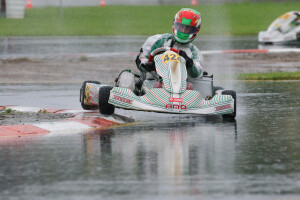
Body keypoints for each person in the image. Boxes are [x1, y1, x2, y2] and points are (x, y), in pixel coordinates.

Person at [135, 8, 204, 79]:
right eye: (180, 27)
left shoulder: (194, 52)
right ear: (174, 24)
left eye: (188, 29)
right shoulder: (158, 40)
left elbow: (197, 73)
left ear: (196, 30)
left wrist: (189, 63)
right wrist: (149, 64)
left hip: (182, 85)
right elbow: (141, 58)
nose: (183, 31)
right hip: (154, 81)